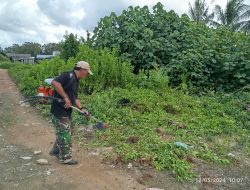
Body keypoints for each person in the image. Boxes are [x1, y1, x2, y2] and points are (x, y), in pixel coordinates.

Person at [49, 61, 93, 165]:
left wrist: (82, 109)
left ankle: (56, 150)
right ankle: (66, 158)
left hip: (66, 111)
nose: (87, 74)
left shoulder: (75, 81)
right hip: (59, 110)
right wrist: (65, 97)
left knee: (68, 131)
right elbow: (55, 83)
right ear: (82, 70)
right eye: (87, 72)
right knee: (65, 134)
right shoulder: (68, 75)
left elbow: (74, 98)